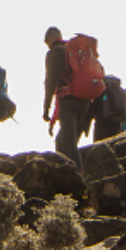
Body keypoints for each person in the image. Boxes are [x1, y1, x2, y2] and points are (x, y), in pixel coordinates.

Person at [42, 27, 90, 164]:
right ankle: (66, 171)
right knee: (61, 141)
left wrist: (46, 108)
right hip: (85, 101)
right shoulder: (74, 51)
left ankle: (79, 174)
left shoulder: (54, 53)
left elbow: (50, 82)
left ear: (49, 40)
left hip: (68, 102)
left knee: (69, 146)